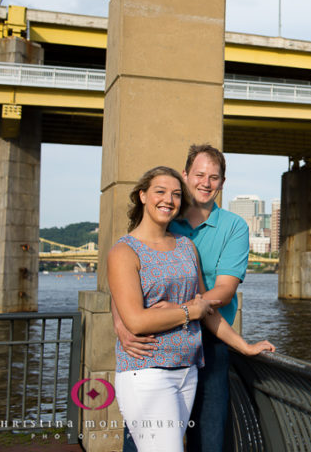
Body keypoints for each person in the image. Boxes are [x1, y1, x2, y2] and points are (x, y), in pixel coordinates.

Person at [108, 166, 274, 452]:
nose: (168, 200)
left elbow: (206, 310)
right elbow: (136, 321)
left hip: (187, 371)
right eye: (160, 192)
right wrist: (188, 312)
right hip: (147, 371)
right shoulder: (124, 251)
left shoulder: (186, 247)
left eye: (175, 195)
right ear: (143, 196)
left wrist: (244, 347)